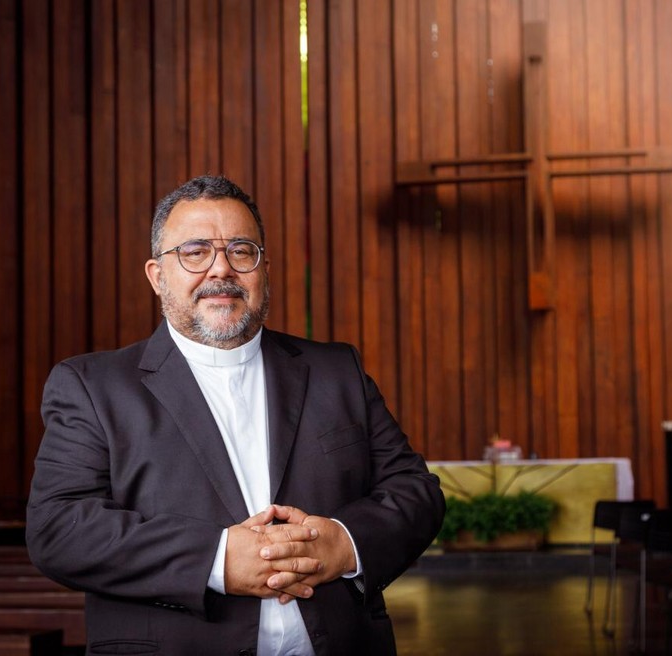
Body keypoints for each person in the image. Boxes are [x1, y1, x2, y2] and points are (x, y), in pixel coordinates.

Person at [26, 175, 446, 656]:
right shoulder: (93, 386)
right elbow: (58, 528)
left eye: (242, 250)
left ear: (264, 269)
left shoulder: (336, 370)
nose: (220, 269)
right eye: (195, 251)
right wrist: (219, 559)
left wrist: (344, 545)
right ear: (157, 275)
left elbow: (416, 493)